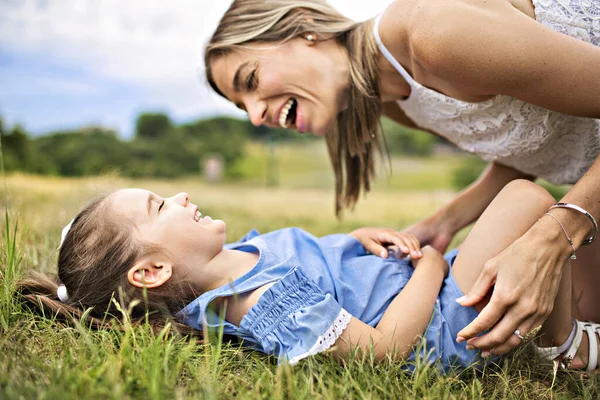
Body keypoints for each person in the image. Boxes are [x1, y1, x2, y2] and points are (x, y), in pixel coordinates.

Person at [202, 0, 600, 360]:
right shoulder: (393, 100)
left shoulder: (437, 36)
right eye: (243, 106)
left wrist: (552, 237)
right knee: (580, 322)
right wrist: (442, 224)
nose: (254, 116)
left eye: (250, 80)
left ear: (304, 28)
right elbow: (532, 141)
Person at [17, 181, 600, 371]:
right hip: (442, 325)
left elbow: (308, 258)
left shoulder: (240, 255)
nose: (180, 195)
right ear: (153, 270)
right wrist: (432, 265)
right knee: (526, 198)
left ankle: (561, 319)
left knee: (526, 202)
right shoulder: (253, 301)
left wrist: (356, 242)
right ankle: (564, 344)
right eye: (158, 208)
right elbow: (385, 350)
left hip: (422, 290)